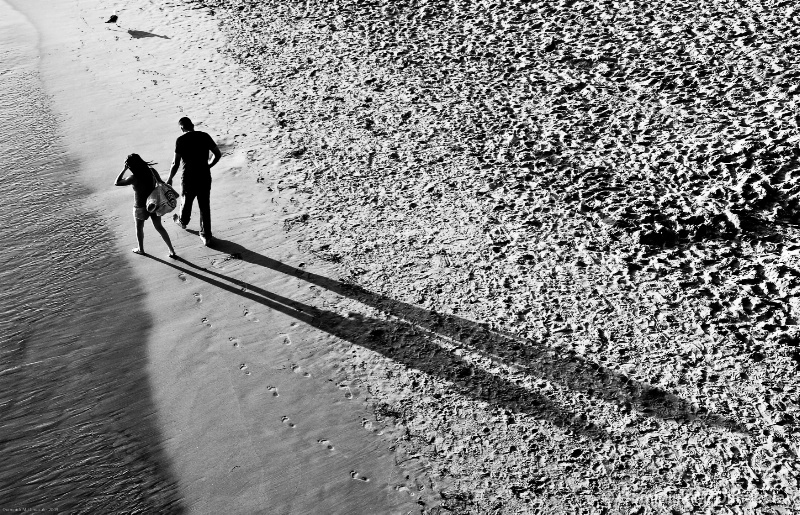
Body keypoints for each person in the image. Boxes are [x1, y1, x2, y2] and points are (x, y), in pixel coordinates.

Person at [167, 116, 222, 246]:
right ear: (192, 125)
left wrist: (170, 178)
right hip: (204, 175)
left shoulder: (180, 140)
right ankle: (206, 235)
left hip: (188, 177)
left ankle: (183, 221)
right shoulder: (205, 136)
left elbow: (175, 163)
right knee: (204, 205)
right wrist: (209, 165)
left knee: (186, 200)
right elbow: (217, 154)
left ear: (182, 128)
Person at [114, 153, 177, 258]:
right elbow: (161, 182)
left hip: (140, 206)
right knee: (159, 227)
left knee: (139, 228)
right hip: (154, 204)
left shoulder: (133, 178)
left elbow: (117, 182)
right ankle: (171, 250)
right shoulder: (152, 172)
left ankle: (141, 249)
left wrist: (124, 169)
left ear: (130, 166)